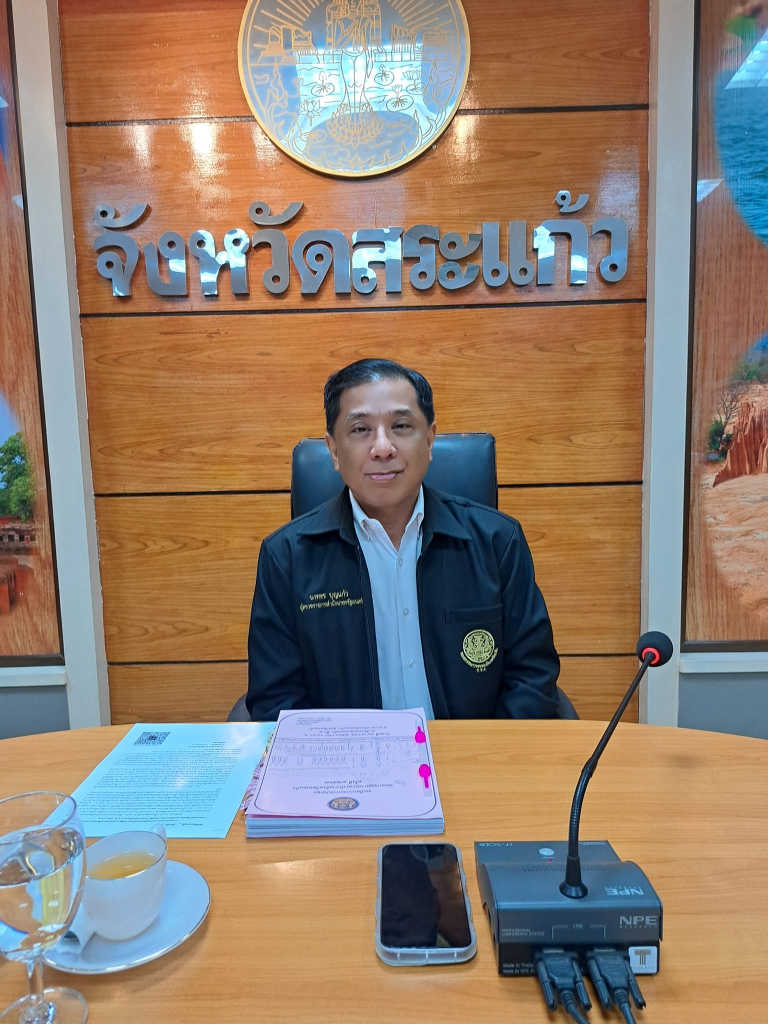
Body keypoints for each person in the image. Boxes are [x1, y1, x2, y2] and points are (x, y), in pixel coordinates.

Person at [246, 358, 560, 720]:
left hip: (473, 752)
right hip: (346, 755)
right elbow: (276, 700)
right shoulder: (286, 558)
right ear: (333, 450)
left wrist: (483, 752)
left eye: (400, 426)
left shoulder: (497, 542)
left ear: (429, 439)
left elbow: (532, 679)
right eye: (361, 429)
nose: (383, 447)